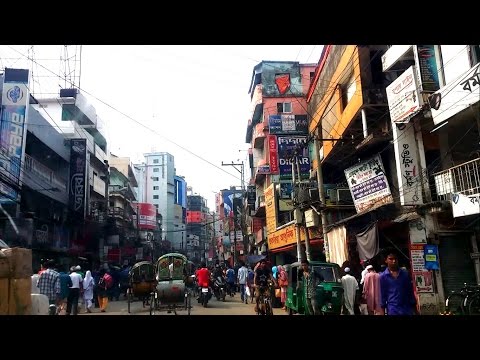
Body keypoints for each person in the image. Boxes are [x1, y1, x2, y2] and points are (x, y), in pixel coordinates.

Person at [379, 249, 417, 315]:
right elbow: (383, 296)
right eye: (391, 259)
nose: (393, 261)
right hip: (393, 310)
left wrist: (415, 310)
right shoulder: (383, 277)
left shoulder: (405, 274)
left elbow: (410, 292)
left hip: (407, 309)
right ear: (386, 260)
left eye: (395, 259)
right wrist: (382, 312)